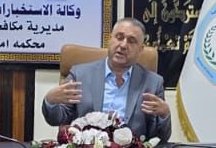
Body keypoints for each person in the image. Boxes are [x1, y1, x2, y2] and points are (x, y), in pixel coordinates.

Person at [42, 17, 172, 140]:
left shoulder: (153, 83)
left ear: (140, 50)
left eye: (131, 41)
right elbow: (57, 119)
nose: (123, 45)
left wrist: (164, 115)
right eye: (119, 37)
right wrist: (50, 101)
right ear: (110, 40)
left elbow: (160, 138)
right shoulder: (80, 74)